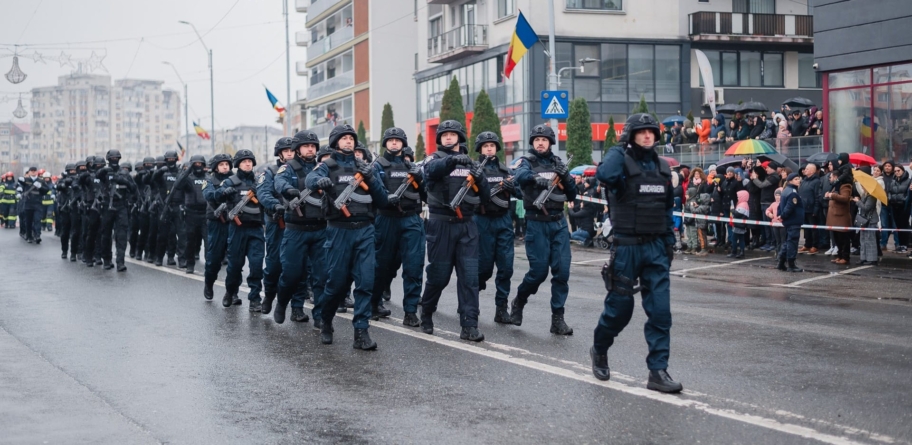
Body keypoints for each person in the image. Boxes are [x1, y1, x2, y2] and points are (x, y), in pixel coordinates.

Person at [592, 113, 681, 392]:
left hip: (656, 247)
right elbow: (604, 175)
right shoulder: (620, 165)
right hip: (627, 247)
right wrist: (619, 146)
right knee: (619, 310)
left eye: (651, 131)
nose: (647, 135)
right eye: (640, 131)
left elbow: (667, 209)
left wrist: (669, 244)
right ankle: (599, 349)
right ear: (631, 135)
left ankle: (658, 371)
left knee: (660, 312)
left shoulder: (663, 169)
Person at [305, 124, 389, 350]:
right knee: (336, 284)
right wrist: (319, 182)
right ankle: (326, 320)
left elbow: (383, 200)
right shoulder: (328, 166)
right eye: (344, 138)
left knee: (365, 282)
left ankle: (361, 331)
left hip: (365, 229)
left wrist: (371, 179)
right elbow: (310, 179)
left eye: (351, 138)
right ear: (335, 143)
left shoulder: (365, 167)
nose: (349, 141)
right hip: (339, 230)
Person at [417, 120, 487, 341]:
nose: (448, 137)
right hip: (441, 225)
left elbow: (485, 197)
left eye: (452, 134)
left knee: (470, 278)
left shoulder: (470, 163)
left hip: (467, 225)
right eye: (445, 134)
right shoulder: (434, 158)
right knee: (439, 276)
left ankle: (469, 325)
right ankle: (427, 311)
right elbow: (430, 171)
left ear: (459, 137)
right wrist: (452, 160)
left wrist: (480, 178)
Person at [510, 125, 577, 335]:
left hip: (558, 224)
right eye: (537, 139)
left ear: (550, 143)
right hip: (536, 223)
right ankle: (519, 301)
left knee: (562, 272)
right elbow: (519, 176)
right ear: (533, 142)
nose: (540, 143)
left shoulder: (558, 164)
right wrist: (534, 178)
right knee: (538, 273)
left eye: (544, 140)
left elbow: (572, 194)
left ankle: (558, 319)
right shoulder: (526, 162)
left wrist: (566, 178)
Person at [369, 127, 426, 326]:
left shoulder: (412, 167)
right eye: (391, 140)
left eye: (398, 140)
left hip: (411, 219)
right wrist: (386, 198)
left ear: (403, 143)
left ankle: (410, 312)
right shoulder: (377, 166)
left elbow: (427, 195)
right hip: (386, 219)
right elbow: (374, 191)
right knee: (381, 265)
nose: (394, 143)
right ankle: (373, 304)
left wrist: (420, 179)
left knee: (414, 266)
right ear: (385, 143)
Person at [273, 131, 327, 326]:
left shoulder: (322, 168)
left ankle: (320, 316)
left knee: (322, 276)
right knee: (291, 274)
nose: (310, 149)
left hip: (320, 229)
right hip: (296, 229)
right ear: (297, 149)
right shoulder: (288, 168)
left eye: (313, 146)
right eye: (306, 146)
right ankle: (282, 302)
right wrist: (288, 189)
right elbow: (279, 181)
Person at [473, 131, 519, 324]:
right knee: (483, 268)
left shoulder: (505, 171)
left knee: (506, 267)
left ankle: (501, 308)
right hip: (482, 221)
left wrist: (512, 188)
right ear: (480, 149)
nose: (489, 149)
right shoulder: (474, 170)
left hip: (503, 221)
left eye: (492, 146)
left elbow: (521, 192)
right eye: (485, 146)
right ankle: (470, 301)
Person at [219, 149, 266, 310]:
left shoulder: (260, 181)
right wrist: (224, 193)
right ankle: (231, 292)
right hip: (237, 229)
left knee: (256, 265)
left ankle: (255, 298)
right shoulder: (230, 182)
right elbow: (216, 195)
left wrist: (261, 192)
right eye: (244, 161)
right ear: (238, 164)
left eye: (250, 161)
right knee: (235, 266)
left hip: (256, 228)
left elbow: (269, 197)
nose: (247, 164)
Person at [257, 137, 295, 314]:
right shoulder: (270, 172)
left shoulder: (303, 170)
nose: (290, 153)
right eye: (286, 151)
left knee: (299, 266)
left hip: (298, 224)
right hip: (276, 222)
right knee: (274, 265)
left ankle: (297, 307)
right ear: (279, 154)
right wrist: (275, 205)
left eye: (292, 150)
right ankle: (269, 295)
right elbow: (263, 193)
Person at [97, 149, 136, 271]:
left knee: (121, 235)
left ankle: (120, 262)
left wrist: (124, 181)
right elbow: (97, 175)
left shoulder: (124, 173)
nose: (114, 160)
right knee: (106, 235)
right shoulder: (104, 172)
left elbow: (134, 189)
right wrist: (105, 170)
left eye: (116, 158)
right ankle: (107, 260)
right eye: (112, 158)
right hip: (107, 206)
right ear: (108, 159)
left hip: (121, 206)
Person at [202, 153, 234, 300]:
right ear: (215, 167)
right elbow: (208, 195)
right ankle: (209, 283)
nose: (225, 167)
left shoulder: (235, 179)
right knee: (214, 259)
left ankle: (232, 291)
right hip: (216, 222)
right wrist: (222, 192)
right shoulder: (209, 180)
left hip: (233, 222)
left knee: (235, 259)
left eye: (227, 164)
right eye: (221, 164)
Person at [170, 154, 208, 275]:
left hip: (205, 214)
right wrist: (187, 171)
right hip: (191, 214)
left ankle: (209, 266)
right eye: (195, 164)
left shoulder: (208, 178)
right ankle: (190, 264)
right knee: (190, 241)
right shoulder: (188, 179)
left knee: (208, 242)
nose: (198, 166)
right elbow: (177, 185)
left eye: (200, 164)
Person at [152, 150, 181, 267]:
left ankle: (171, 257)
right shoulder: (161, 174)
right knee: (162, 235)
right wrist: (160, 171)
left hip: (176, 206)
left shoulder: (179, 173)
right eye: (169, 160)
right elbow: (153, 178)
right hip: (164, 207)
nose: (171, 161)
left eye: (173, 159)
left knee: (173, 234)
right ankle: (159, 257)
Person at [826, 154, 854, 265]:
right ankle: (839, 255)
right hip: (834, 216)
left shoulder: (845, 186)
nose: (830, 178)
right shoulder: (836, 186)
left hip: (841, 216)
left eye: (831, 177)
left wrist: (832, 195)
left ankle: (845, 257)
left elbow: (845, 198)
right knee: (837, 238)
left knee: (843, 239)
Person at [777, 174, 805, 272]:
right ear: (790, 181)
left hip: (789, 221)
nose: (798, 181)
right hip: (793, 220)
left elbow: (780, 206)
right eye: (796, 179)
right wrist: (782, 215)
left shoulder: (785, 191)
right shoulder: (793, 193)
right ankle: (791, 265)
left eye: (799, 179)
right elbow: (789, 207)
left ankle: (781, 262)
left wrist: (780, 215)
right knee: (792, 242)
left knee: (787, 242)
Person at [17, 167, 50, 243]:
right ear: (29, 172)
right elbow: (20, 183)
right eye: (31, 171)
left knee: (37, 220)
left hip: (38, 203)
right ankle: (29, 236)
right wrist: (20, 180)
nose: (33, 172)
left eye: (34, 171)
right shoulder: (26, 180)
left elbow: (46, 190)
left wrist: (40, 187)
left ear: (36, 172)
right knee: (28, 221)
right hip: (28, 204)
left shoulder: (41, 181)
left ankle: (37, 235)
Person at [855, 181, 879, 265]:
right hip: (864, 220)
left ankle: (872, 259)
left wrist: (858, 201)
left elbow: (866, 208)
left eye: (863, 186)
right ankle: (863, 258)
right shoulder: (864, 195)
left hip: (870, 220)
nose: (862, 187)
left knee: (870, 240)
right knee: (863, 239)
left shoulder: (872, 196)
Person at [728, 190, 750, 258]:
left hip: (738, 225)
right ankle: (741, 252)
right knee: (741, 239)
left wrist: (732, 210)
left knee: (734, 238)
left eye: (739, 197)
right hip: (741, 225)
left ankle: (734, 251)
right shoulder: (744, 204)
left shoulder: (743, 205)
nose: (737, 198)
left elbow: (737, 214)